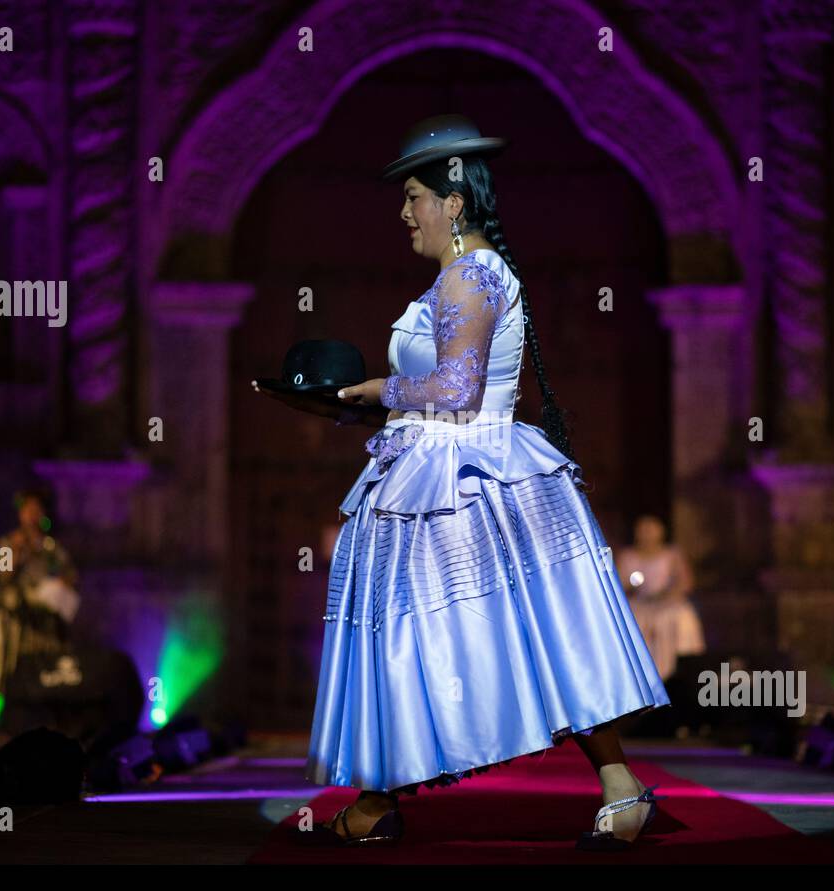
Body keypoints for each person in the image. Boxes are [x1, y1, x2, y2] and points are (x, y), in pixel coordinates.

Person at [289, 115, 670, 849]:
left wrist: (378, 390)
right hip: (437, 464)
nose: (404, 214)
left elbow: (460, 386)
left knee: (489, 632)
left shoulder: (471, 273)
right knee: (442, 636)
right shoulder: (463, 275)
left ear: (453, 202)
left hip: (466, 480)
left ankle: (618, 786)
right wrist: (369, 407)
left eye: (413, 198)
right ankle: (379, 800)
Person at [0, 488, 80, 698]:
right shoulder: (6, 543)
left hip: (44, 617)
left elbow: (69, 574)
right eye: (27, 510)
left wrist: (63, 582)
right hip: (14, 619)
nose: (32, 515)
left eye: (36, 510)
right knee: (11, 667)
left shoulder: (51, 547)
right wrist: (17, 551)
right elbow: (3, 575)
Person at [616, 514, 705, 680]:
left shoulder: (672, 554)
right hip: (638, 603)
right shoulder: (627, 555)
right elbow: (619, 585)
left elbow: (684, 583)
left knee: (675, 616)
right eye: (643, 529)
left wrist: (666, 595)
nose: (647, 534)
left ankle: (674, 673)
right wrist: (632, 588)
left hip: (666, 602)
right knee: (632, 620)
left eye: (652, 529)